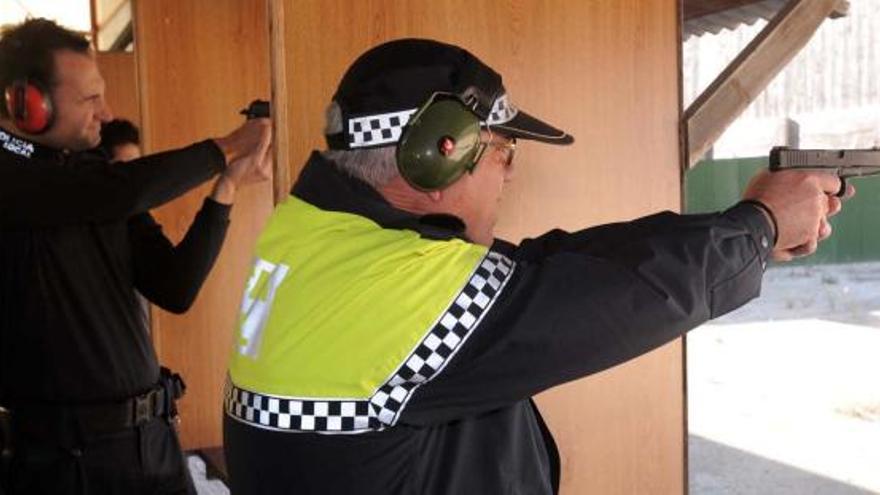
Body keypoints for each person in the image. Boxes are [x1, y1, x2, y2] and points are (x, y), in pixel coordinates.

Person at [222, 39, 846, 494]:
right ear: (442, 154)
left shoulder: (314, 237)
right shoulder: (393, 289)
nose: (511, 170)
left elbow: (541, 270)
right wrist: (758, 225)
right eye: (503, 149)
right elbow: (608, 297)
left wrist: (746, 228)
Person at [0, 18, 272, 495]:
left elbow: (174, 285)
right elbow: (117, 192)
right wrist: (225, 147)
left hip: (151, 442)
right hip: (67, 461)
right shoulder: (18, 180)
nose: (105, 114)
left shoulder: (93, 177)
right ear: (27, 104)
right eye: (89, 99)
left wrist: (225, 187)